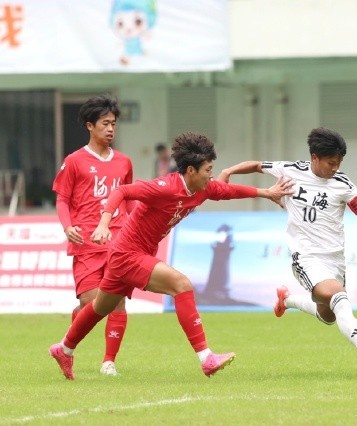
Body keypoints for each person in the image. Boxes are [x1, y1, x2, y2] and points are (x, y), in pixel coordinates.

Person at [49, 132, 294, 380]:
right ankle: (206, 358)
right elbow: (121, 191)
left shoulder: (202, 188)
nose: (211, 175)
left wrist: (266, 192)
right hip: (127, 253)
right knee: (181, 284)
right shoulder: (164, 187)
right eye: (208, 170)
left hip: (129, 253)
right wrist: (104, 224)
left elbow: (229, 191)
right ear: (191, 170)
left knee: (99, 308)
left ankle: (64, 349)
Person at [221, 127, 357, 373]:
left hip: (335, 260)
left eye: (339, 162)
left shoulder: (343, 184)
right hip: (306, 257)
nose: (335, 168)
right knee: (340, 299)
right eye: (331, 162)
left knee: (329, 316)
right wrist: (228, 171)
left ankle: (286, 300)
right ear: (315, 157)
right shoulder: (290, 170)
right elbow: (257, 165)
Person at [52, 94, 134, 376]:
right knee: (91, 303)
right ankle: (69, 341)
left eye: (113, 124)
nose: (110, 129)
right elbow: (62, 199)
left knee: (118, 301)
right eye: (105, 123)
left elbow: (129, 200)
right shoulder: (74, 161)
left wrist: (137, 229)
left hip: (118, 240)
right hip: (86, 242)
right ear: (90, 125)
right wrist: (67, 227)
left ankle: (109, 362)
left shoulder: (124, 162)